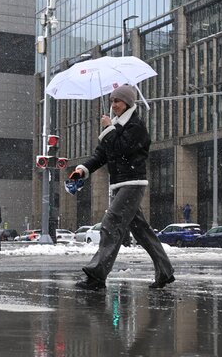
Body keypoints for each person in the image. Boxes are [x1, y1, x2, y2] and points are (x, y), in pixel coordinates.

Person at [67, 84, 174, 291]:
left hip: (132, 184)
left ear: (127, 102)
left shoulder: (136, 126)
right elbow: (102, 155)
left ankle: (97, 275)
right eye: (112, 101)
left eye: (117, 101)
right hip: (120, 184)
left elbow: (123, 149)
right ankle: (165, 272)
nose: (113, 105)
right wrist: (82, 170)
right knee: (142, 231)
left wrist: (108, 129)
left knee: (111, 223)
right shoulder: (115, 126)